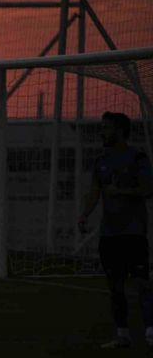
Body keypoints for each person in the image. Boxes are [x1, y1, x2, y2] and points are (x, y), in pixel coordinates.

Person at [78, 111, 153, 349]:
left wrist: (121, 191)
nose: (102, 132)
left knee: (142, 284)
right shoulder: (100, 161)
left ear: (119, 131)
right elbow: (94, 192)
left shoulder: (138, 158)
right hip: (109, 234)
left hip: (134, 232)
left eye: (106, 128)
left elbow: (148, 189)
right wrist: (84, 214)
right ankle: (122, 335)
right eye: (102, 128)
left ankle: (150, 332)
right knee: (115, 286)